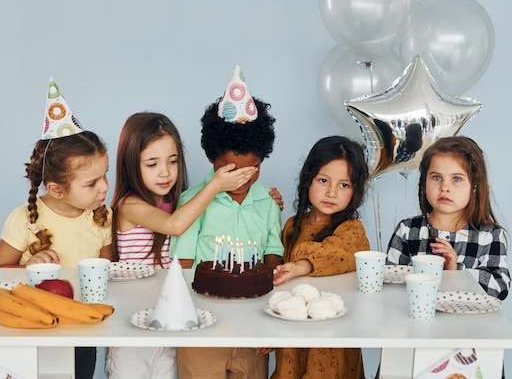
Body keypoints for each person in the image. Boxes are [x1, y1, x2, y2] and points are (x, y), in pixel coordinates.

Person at [104, 111, 257, 379]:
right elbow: (175, 225)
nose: (165, 172)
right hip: (132, 330)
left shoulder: (181, 205)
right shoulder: (129, 205)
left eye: (172, 161)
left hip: (172, 323)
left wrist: (265, 198)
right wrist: (216, 185)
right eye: (151, 164)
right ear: (130, 164)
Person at [0, 79, 111, 379]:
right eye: (92, 183)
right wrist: (28, 265)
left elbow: (107, 271)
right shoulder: (24, 219)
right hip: (33, 325)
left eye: (105, 175)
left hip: (82, 326)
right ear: (56, 189)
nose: (105, 187)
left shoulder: (102, 216)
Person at [170, 65, 284, 379]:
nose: (244, 178)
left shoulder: (267, 204)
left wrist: (269, 316)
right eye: (232, 170)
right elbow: (183, 263)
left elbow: (274, 256)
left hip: (253, 329)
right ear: (211, 159)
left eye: (254, 168)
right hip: (201, 327)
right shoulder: (192, 204)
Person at [269, 135, 371, 379]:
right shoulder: (293, 226)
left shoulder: (352, 229)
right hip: (293, 336)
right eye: (323, 180)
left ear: (355, 190)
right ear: (308, 179)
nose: (332, 192)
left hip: (331, 338)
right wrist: (267, 209)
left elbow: (335, 253)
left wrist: (299, 266)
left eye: (344, 185)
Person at [386, 136, 511, 300]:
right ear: (424, 182)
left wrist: (456, 273)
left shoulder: (489, 235)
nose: (444, 187)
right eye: (436, 177)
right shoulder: (408, 230)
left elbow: (500, 287)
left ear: (474, 184)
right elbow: (389, 283)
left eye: (457, 179)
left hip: (467, 324)